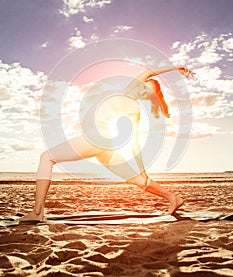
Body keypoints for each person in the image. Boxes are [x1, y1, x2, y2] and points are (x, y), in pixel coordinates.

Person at [20, 65, 195, 221]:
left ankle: (37, 212)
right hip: (106, 147)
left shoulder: (133, 107)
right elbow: (150, 71)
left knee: (47, 158)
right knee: (140, 181)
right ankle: (173, 197)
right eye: (144, 87)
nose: (143, 91)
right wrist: (176, 67)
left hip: (96, 140)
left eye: (147, 93)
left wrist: (143, 167)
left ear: (148, 98)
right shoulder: (128, 92)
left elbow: (134, 142)